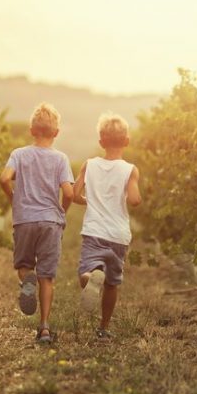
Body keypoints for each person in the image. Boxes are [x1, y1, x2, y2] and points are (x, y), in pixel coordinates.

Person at [0, 102, 74, 344]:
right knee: (47, 277)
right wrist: (61, 212)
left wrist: (14, 199)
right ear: (57, 133)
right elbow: (70, 193)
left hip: (25, 220)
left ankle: (26, 280)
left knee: (24, 266)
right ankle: (44, 328)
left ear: (32, 130)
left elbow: (3, 178)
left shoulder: (19, 154)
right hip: (50, 221)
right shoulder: (61, 159)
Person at [73, 112, 142, 339]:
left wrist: (88, 201)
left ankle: (88, 278)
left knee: (89, 268)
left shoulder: (89, 165)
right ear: (127, 141)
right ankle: (103, 327)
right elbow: (134, 200)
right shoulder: (130, 169)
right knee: (112, 283)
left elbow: (75, 194)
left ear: (101, 142)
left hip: (94, 230)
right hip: (118, 234)